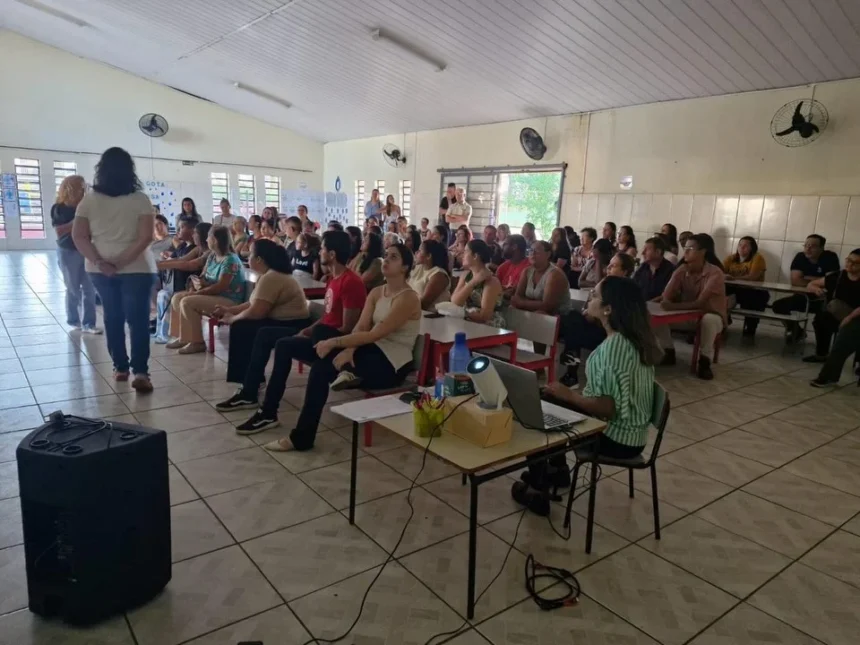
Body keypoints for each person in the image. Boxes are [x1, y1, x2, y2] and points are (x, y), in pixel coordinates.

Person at [251, 244, 421, 450]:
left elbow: (377, 334)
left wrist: (335, 343)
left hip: (389, 363)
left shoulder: (408, 297)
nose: (385, 260)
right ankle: (268, 413)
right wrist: (349, 350)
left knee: (322, 367)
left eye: (393, 257)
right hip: (366, 349)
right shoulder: (377, 292)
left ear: (405, 267)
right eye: (385, 255)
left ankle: (302, 438)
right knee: (288, 343)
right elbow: (361, 326)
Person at [515, 277, 661, 516]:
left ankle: (536, 489)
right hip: (634, 436)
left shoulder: (615, 346)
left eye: (594, 295)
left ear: (608, 309)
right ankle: (556, 471)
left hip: (616, 440)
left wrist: (570, 397)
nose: (589, 298)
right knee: (551, 397)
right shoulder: (633, 340)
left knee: (542, 404)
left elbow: (608, 408)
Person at [217, 231, 366, 427]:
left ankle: (266, 409)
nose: (319, 251)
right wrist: (307, 331)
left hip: (333, 342)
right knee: (271, 338)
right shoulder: (333, 279)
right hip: (320, 334)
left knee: (280, 343)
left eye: (322, 249)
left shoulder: (351, 282)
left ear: (331, 254)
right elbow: (327, 318)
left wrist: (312, 334)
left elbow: (346, 328)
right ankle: (254, 397)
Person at [72, 147, 156, 392]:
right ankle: (140, 372)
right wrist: (121, 262)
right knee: (138, 320)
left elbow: (79, 237)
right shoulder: (140, 199)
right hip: (138, 268)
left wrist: (101, 262)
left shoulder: (89, 200)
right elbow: (145, 238)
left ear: (101, 170)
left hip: (99, 270)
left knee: (113, 317)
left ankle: (120, 368)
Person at [213, 239, 312, 385]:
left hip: (293, 325)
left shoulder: (273, 277)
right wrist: (229, 310)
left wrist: (233, 318)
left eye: (251, 253)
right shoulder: (266, 275)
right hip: (281, 321)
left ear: (259, 259)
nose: (248, 257)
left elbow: (257, 312)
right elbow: (254, 303)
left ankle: (250, 380)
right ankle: (248, 378)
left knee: (243, 326)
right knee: (243, 326)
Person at [654, 233, 727, 380]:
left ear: (703, 252)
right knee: (656, 316)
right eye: (685, 248)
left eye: (691, 248)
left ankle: (704, 361)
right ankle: (669, 351)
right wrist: (677, 274)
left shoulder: (715, 273)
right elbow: (666, 297)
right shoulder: (682, 270)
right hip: (687, 315)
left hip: (711, 315)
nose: (685, 252)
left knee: (709, 320)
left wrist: (671, 307)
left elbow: (700, 303)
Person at [558, 249, 635, 388]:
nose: (608, 268)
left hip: (610, 336)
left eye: (614, 266)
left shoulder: (627, 292)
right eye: (609, 265)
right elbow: (587, 307)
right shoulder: (603, 285)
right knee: (571, 317)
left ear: (625, 272)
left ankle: (572, 371)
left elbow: (620, 321)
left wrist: (596, 318)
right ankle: (571, 364)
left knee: (573, 328)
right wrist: (589, 314)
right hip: (594, 327)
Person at [166, 226, 245, 354]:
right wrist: (196, 284)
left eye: (209, 237)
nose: (206, 240)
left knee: (187, 302)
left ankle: (197, 342)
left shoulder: (230, 259)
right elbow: (203, 276)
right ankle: (184, 337)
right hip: (212, 295)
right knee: (177, 298)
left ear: (215, 240)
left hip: (228, 300)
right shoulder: (212, 256)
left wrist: (200, 292)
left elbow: (221, 286)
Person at [52, 174, 101, 334]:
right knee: (72, 287)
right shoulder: (59, 208)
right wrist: (77, 221)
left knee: (89, 288)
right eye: (80, 187)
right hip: (68, 251)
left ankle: (89, 323)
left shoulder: (86, 206)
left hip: (86, 249)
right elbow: (60, 231)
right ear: (71, 188)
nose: (83, 189)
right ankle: (73, 320)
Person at [772, 234, 841, 343]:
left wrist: (806, 278)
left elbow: (830, 282)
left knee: (822, 318)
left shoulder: (830, 257)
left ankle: (822, 350)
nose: (808, 249)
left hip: (823, 299)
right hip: (803, 297)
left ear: (821, 248)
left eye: (813, 246)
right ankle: (797, 331)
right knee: (778, 306)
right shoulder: (800, 257)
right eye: (806, 245)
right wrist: (818, 280)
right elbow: (795, 281)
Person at [807, 249, 860, 386]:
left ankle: (827, 376)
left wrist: (849, 318)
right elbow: (812, 284)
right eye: (848, 260)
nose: (850, 264)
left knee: (843, 339)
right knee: (821, 320)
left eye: (855, 263)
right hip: (840, 314)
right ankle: (823, 358)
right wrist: (816, 289)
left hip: (856, 317)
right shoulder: (839, 276)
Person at [153, 221, 209, 343]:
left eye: (195, 233)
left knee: (177, 297)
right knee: (171, 296)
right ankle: (178, 336)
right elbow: (181, 260)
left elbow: (188, 265)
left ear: (203, 236)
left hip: (203, 288)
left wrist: (158, 265)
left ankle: (191, 339)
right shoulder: (198, 249)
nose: (193, 235)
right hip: (197, 287)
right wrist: (158, 264)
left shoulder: (208, 252)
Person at [451, 240, 506, 327]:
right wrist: (473, 282)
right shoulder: (466, 275)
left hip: (489, 327)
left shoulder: (492, 281)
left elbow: (484, 316)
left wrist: (462, 314)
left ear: (475, 256)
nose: (462, 254)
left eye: (466, 251)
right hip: (468, 321)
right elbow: (455, 302)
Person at [724, 236, 769, 338]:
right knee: (721, 291)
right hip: (734, 288)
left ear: (752, 248)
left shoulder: (758, 258)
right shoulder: (731, 258)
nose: (742, 248)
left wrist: (733, 278)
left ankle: (751, 326)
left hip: (753, 290)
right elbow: (720, 273)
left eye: (745, 246)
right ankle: (723, 319)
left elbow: (752, 277)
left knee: (755, 299)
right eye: (740, 245)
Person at [511, 241, 572, 316]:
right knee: (511, 308)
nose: (532, 254)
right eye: (531, 250)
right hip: (533, 312)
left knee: (540, 314)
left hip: (559, 317)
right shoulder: (527, 271)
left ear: (548, 254)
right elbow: (518, 297)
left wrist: (522, 303)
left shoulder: (554, 274)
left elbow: (547, 307)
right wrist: (519, 302)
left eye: (537, 251)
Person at [408, 239, 451, 311]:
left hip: (431, 316)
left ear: (428, 256)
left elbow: (423, 304)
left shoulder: (439, 275)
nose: (416, 252)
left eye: (419, 251)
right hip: (414, 311)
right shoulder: (419, 267)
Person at [633, 236, 675, 301]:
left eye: (646, 250)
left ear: (658, 252)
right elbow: (632, 285)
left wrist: (648, 304)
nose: (643, 253)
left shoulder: (670, 270)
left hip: (659, 308)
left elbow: (667, 295)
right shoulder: (643, 267)